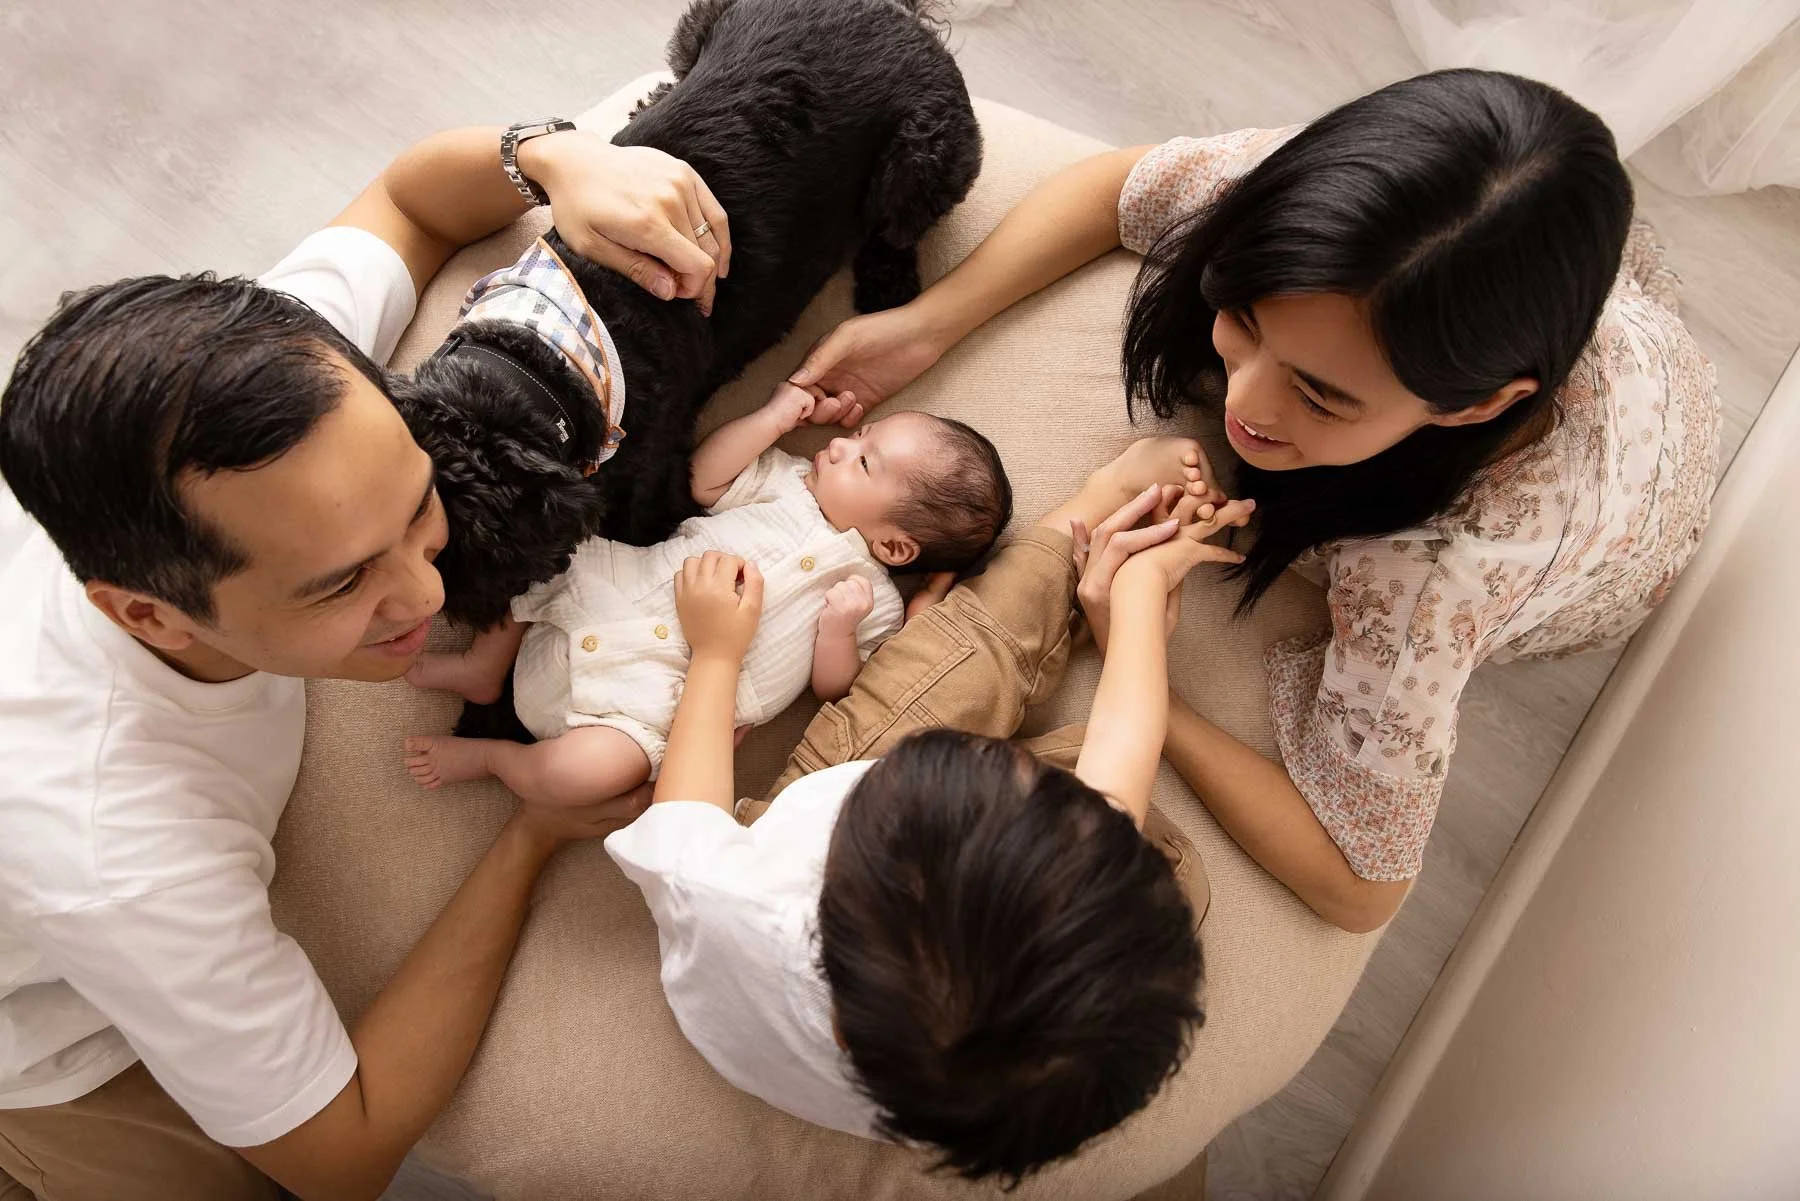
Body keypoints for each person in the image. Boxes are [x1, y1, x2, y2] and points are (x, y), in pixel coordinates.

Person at [786, 68, 1720, 933]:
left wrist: (1137, 661)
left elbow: (1361, 888)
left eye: (1321, 394)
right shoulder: (1356, 215)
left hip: (1607, 534)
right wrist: (928, 323)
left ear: (1471, 407)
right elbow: (1122, 186)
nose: (1244, 405)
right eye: (1243, 319)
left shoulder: (1433, 579)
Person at [0, 121, 729, 1201]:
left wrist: (559, 159)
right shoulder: (118, 850)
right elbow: (341, 1155)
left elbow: (414, 200)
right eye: (342, 584)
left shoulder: (274, 401)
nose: (431, 594)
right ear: (152, 617)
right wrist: (526, 839)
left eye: (418, 501)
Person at [604, 440, 1251, 1184]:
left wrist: (715, 654)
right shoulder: (1026, 1076)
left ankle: (1072, 555)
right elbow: (1120, 766)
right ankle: (1089, 532)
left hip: (817, 875)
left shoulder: (731, 895)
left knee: (956, 657)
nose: (987, 753)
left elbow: (684, 806)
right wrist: (1133, 602)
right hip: (971, 951)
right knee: (1168, 875)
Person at [401, 381, 1012, 805]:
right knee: (547, 552)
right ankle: (485, 667)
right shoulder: (790, 483)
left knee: (594, 775)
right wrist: (773, 418)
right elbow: (705, 478)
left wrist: (840, 630)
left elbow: (837, 689)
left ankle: (491, 760)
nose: (841, 445)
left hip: (653, 700)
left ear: (897, 549)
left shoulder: (869, 599)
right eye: (862, 435)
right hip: (620, 593)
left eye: (864, 463)